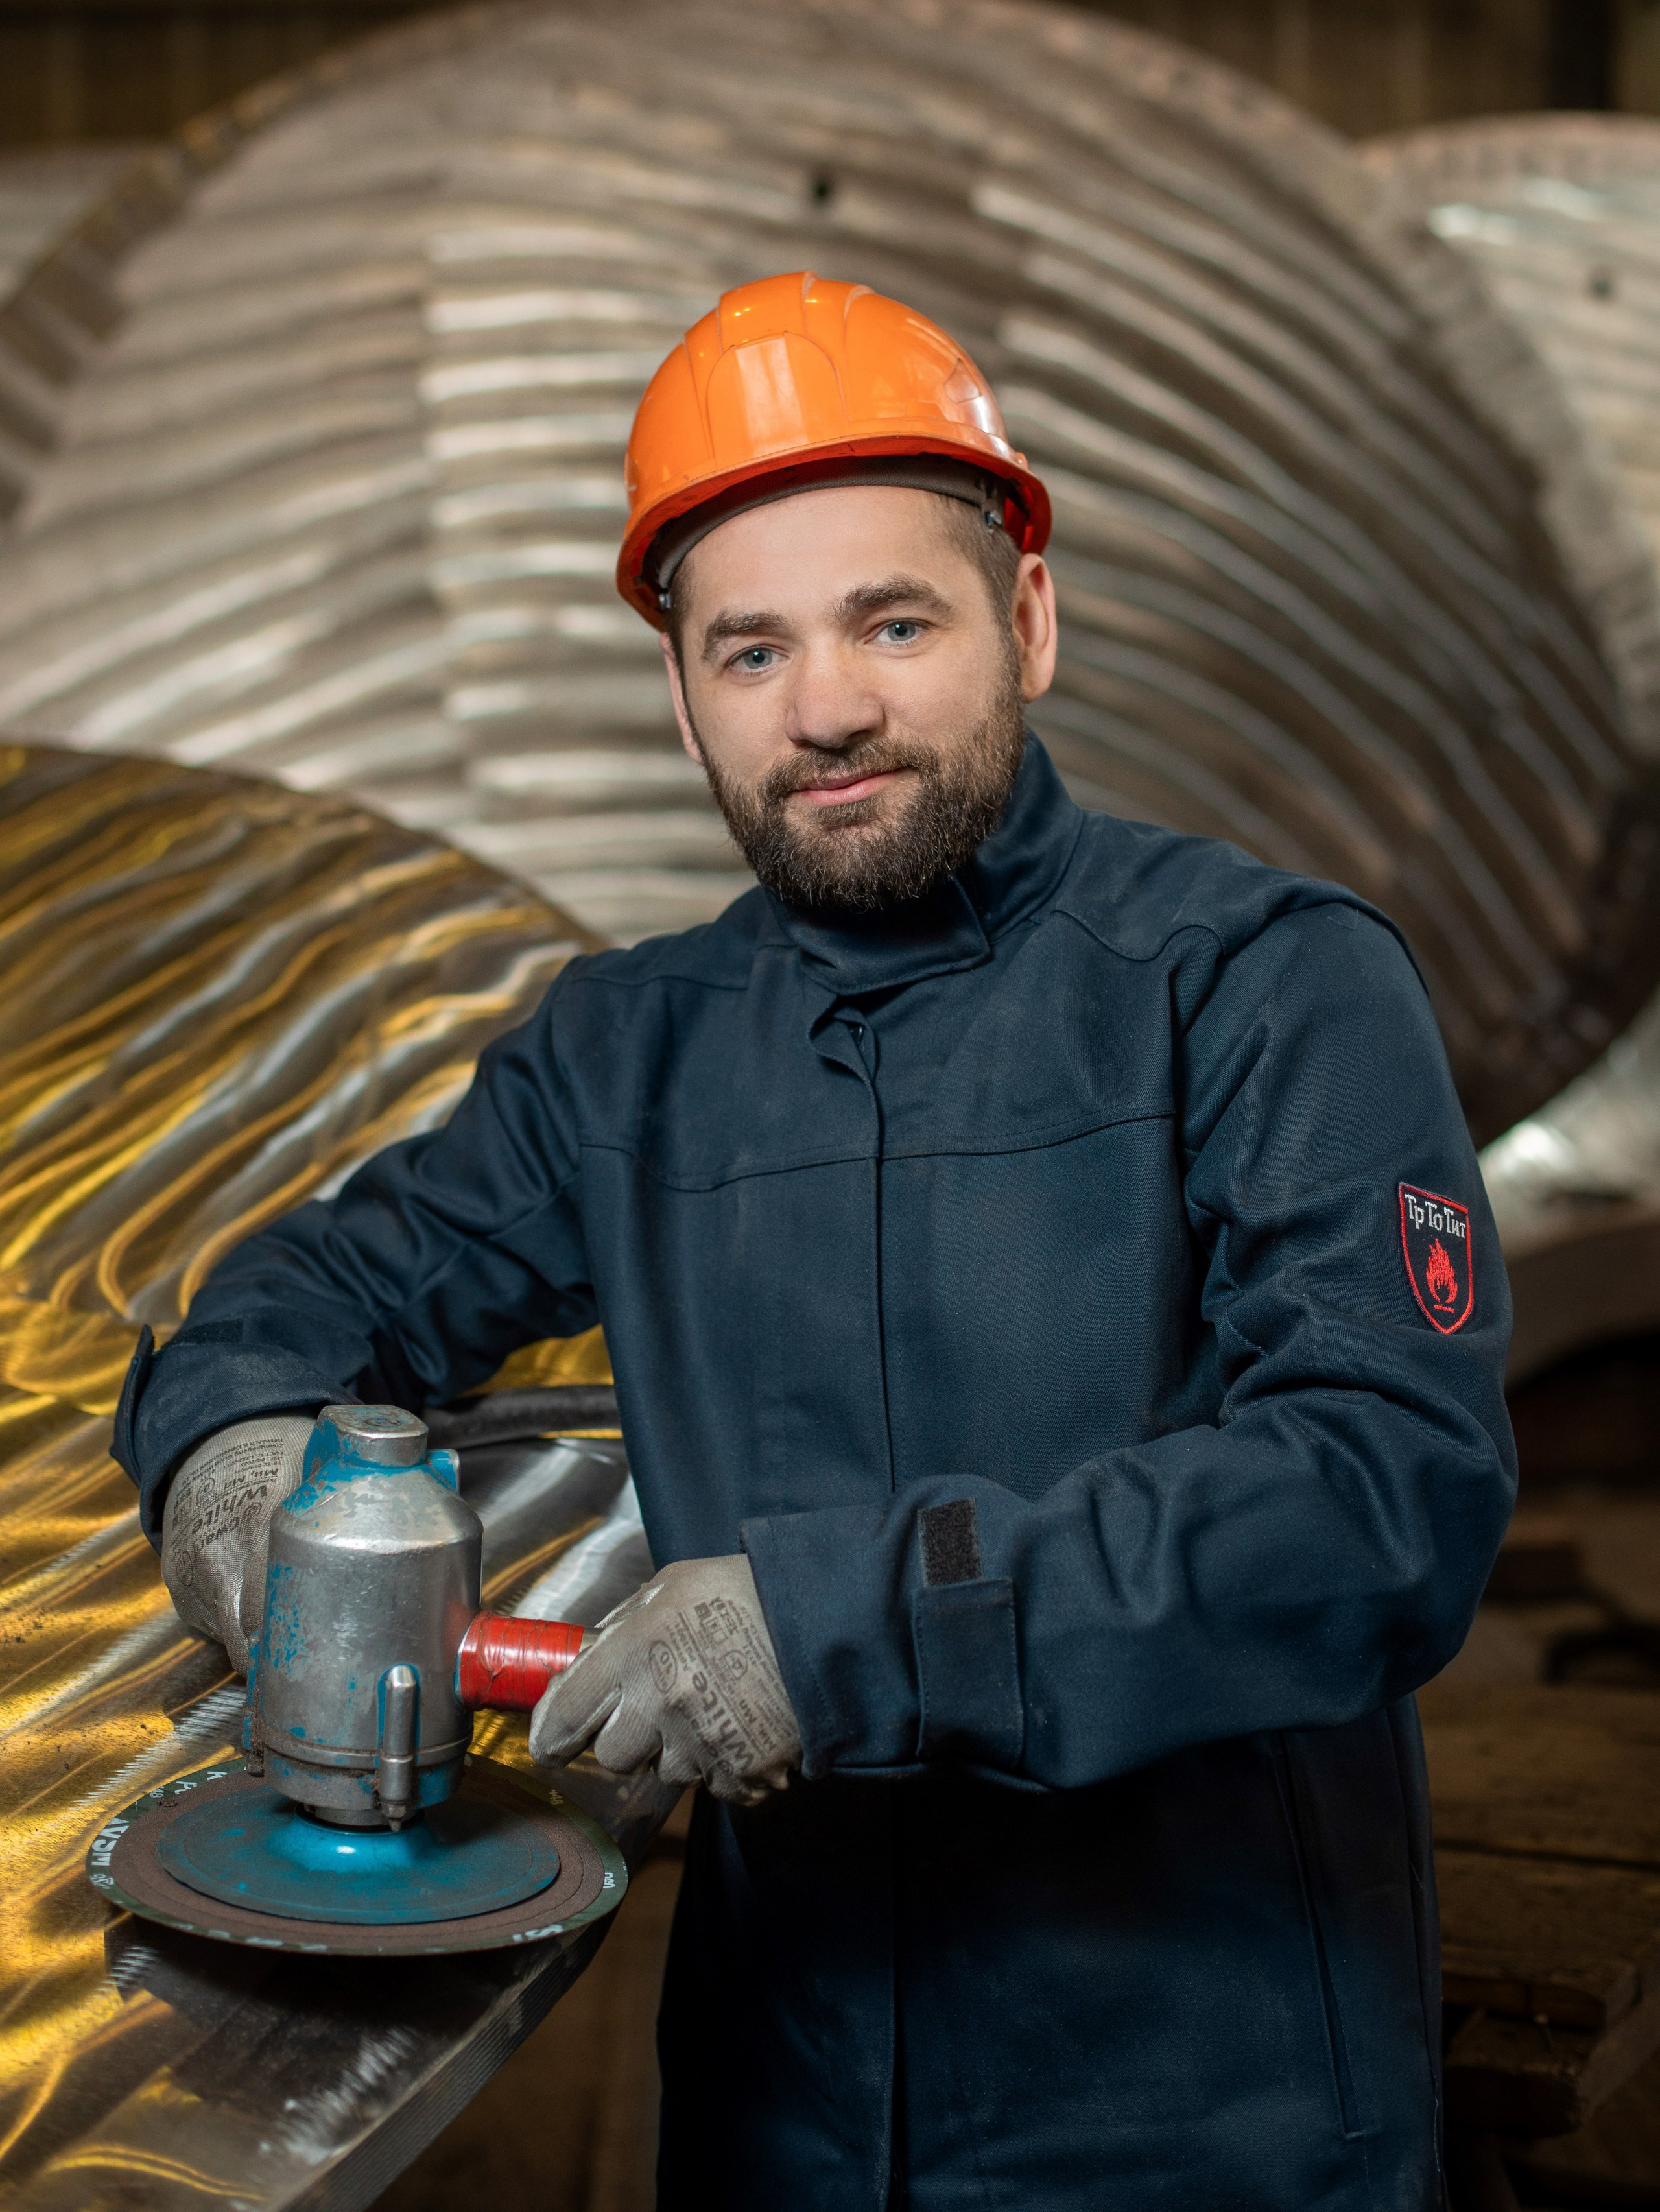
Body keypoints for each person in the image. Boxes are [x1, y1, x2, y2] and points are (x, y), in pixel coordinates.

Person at [123, 272, 1515, 2210]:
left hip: (1208, 2122)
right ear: (680, 690)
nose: (829, 706)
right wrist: (235, 1451)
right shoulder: (630, 1055)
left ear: (1028, 617)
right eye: (750, 650)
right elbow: (306, 1294)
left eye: (893, 621)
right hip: (780, 2118)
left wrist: (838, 1632)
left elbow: (1383, 1502)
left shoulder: (1264, 991)